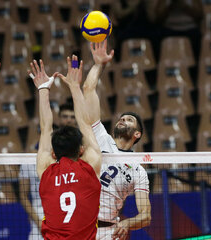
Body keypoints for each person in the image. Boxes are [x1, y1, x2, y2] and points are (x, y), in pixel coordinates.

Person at [83, 40, 151, 240]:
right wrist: (98, 65)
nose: (123, 119)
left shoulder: (138, 170)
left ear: (137, 134)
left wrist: (128, 222)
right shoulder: (102, 139)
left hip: (107, 231)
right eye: (122, 118)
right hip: (80, 225)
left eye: (129, 120)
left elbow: (146, 216)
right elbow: (88, 89)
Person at [30, 56, 102, 239]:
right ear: (81, 150)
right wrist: (74, 86)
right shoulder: (90, 166)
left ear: (53, 153)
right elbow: (85, 124)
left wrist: (43, 88)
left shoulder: (46, 170)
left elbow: (46, 128)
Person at [19, 101, 76, 240]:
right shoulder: (30, 159)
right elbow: (23, 195)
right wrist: (39, 222)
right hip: (40, 219)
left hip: (70, 220)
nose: (68, 120)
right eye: (65, 116)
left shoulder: (76, 157)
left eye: (72, 117)